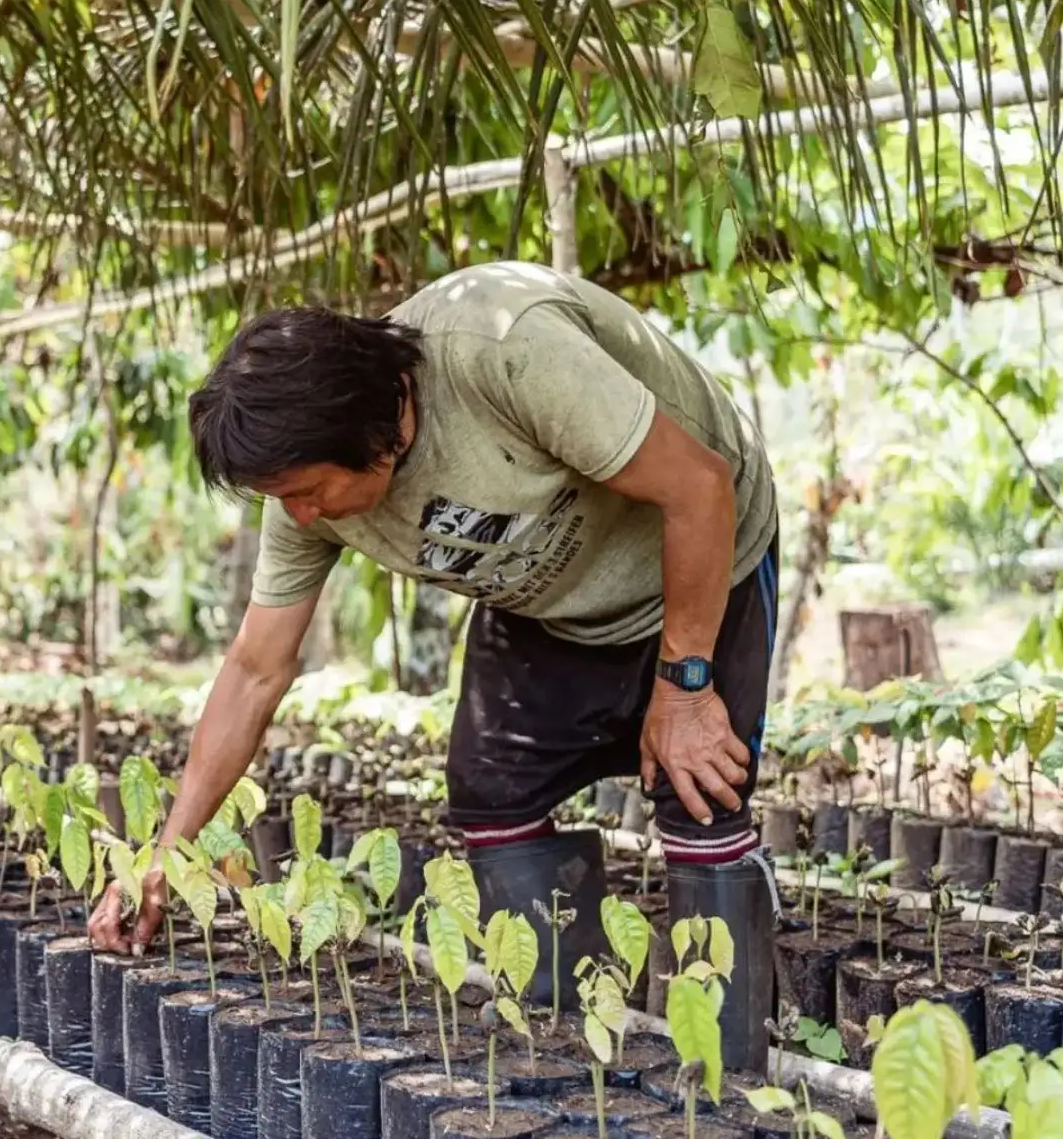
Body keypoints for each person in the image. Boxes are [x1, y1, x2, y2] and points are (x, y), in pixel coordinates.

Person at [86, 260, 780, 1069]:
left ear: (372, 429)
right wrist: (168, 854)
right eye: (281, 498)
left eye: (308, 490)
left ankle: (730, 1080)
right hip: (544, 596)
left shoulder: (505, 351)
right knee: (492, 795)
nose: (299, 515)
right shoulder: (305, 502)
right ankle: (568, 1042)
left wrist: (686, 687)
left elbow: (699, 487)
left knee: (702, 793)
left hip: (695, 557)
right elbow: (254, 670)